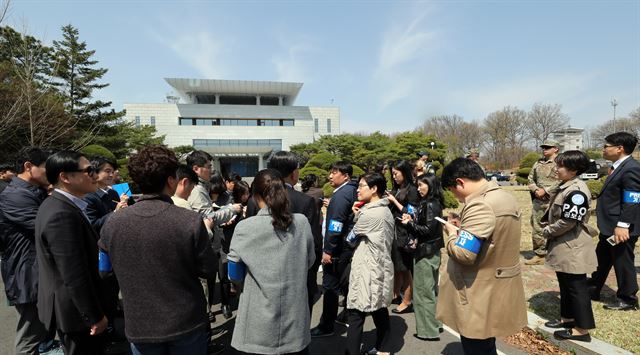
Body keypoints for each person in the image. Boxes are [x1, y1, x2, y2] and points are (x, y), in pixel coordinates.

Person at [99, 146, 220, 355]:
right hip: (185, 321)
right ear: (171, 181)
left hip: (140, 323)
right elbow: (208, 268)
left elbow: (104, 270)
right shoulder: (188, 221)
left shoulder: (113, 222)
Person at [437, 158, 527, 355]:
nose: (456, 196)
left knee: (476, 346)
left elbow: (464, 254)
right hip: (497, 283)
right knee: (486, 343)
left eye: (453, 190)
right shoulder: (504, 197)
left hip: (477, 290)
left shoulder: (480, 205)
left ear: (460, 182)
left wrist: (452, 233)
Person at [228, 169, 315, 354]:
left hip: (257, 321)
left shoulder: (245, 227)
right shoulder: (301, 223)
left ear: (254, 196)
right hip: (295, 319)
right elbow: (309, 261)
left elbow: (234, 272)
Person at [35, 150, 109, 355]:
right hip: (76, 314)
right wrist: (93, 315)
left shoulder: (63, 205)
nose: (94, 175)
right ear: (65, 177)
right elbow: (74, 273)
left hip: (74, 309)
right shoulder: (61, 214)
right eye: (88, 170)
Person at [246, 151, 323, 318]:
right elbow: (315, 245)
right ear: (294, 173)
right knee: (298, 329)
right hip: (298, 278)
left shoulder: (255, 200)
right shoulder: (305, 201)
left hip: (262, 279)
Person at [0, 148, 60, 355]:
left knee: (40, 333)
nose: (52, 175)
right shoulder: (15, 196)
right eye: (47, 169)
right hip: (28, 274)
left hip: (37, 272)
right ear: (28, 167)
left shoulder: (35, 191)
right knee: (30, 336)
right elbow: (49, 228)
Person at [539, 151, 597, 342]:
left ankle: (582, 329)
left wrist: (548, 231)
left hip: (572, 245)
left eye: (560, 166)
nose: (556, 168)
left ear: (573, 170)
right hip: (564, 243)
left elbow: (569, 221)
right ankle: (568, 319)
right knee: (566, 284)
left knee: (576, 287)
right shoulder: (565, 186)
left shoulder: (577, 191)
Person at [345, 173, 395, 355]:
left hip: (368, 269)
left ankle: (352, 352)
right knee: (378, 308)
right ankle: (383, 349)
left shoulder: (370, 214)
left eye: (362, 186)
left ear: (374, 189)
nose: (358, 190)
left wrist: (355, 217)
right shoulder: (384, 210)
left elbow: (350, 239)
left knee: (356, 313)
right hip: (379, 266)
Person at [590, 132, 640, 311]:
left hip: (621, 227)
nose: (603, 149)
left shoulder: (631, 168)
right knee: (602, 258)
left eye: (606, 146)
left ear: (619, 148)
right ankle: (594, 287)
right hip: (609, 225)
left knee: (622, 261)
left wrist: (623, 225)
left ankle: (628, 298)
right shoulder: (618, 166)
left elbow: (632, 199)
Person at [311, 162, 357, 337]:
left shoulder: (341, 195)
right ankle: (346, 313)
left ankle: (326, 326)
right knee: (346, 282)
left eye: (334, 173)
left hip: (338, 248)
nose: (330, 176)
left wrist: (328, 250)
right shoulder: (351, 190)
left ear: (345, 176)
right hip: (348, 245)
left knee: (330, 285)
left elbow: (336, 225)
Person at [400, 173, 444, 341]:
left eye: (421, 185)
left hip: (426, 252)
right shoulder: (431, 203)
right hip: (430, 251)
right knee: (430, 290)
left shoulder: (431, 204)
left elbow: (427, 230)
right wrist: (412, 219)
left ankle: (428, 331)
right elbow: (428, 226)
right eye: (417, 185)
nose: (418, 189)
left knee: (423, 292)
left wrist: (409, 224)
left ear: (431, 185)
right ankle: (434, 325)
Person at [386, 160, 419, 314]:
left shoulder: (412, 190)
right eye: (392, 174)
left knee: (405, 268)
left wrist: (394, 201)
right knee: (397, 266)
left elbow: (411, 213)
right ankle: (395, 295)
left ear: (404, 173)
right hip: (395, 231)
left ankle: (407, 301)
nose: (393, 177)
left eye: (396, 174)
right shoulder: (397, 188)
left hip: (404, 234)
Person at [525, 140, 560, 265]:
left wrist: (545, 190)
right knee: (537, 227)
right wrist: (536, 190)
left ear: (556, 149)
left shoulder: (561, 163)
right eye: (543, 147)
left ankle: (556, 253)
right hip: (539, 202)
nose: (544, 149)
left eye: (548, 147)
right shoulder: (538, 163)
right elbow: (530, 179)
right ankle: (540, 254)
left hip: (555, 200)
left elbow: (562, 180)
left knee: (556, 227)